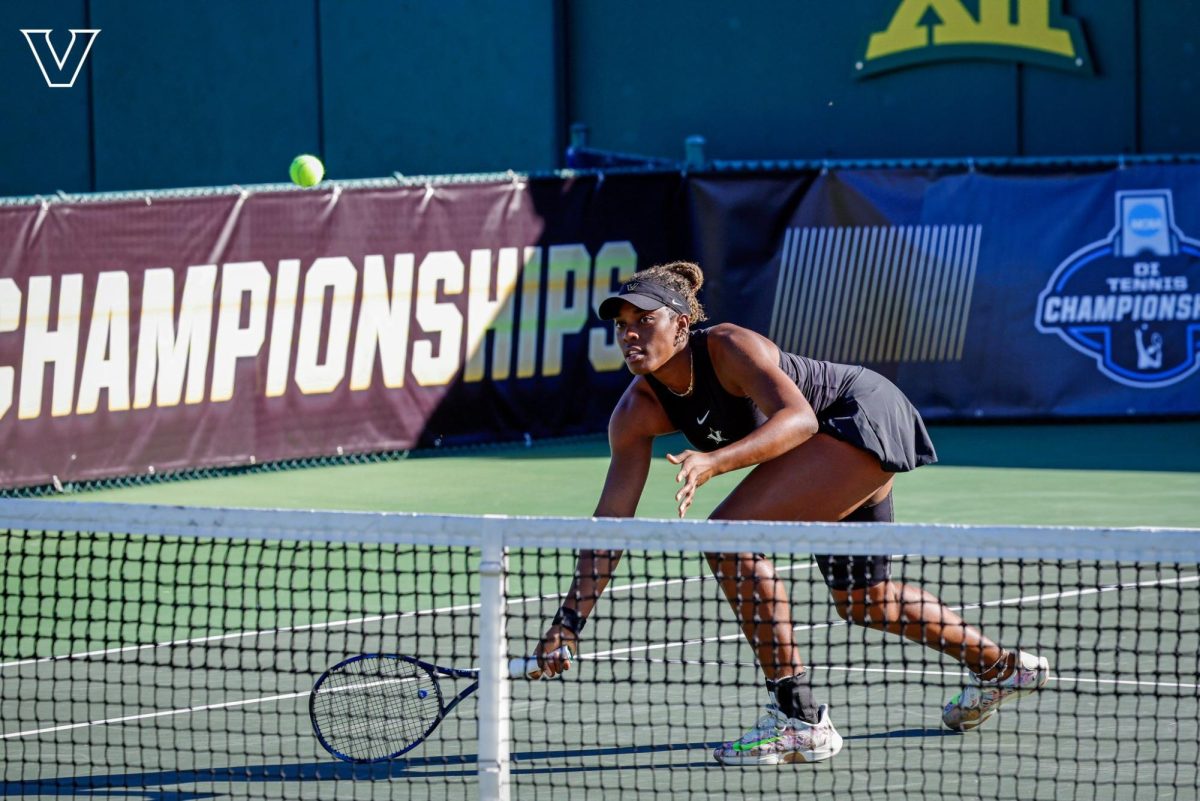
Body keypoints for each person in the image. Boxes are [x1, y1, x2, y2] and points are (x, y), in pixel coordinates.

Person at [534, 261, 1050, 765]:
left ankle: (799, 719)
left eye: (645, 320)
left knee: (727, 537)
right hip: (829, 452)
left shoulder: (731, 347)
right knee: (866, 601)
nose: (630, 335)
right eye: (622, 325)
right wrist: (569, 622)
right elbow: (610, 524)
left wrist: (714, 461)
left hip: (860, 415)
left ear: (682, 324)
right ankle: (1002, 669)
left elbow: (799, 419)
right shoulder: (634, 413)